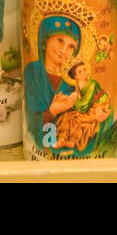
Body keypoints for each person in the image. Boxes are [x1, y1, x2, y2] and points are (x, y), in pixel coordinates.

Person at [23, 13, 82, 148]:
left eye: (71, 46)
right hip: (39, 156)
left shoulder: (73, 81)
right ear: (46, 39)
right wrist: (52, 111)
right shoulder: (32, 72)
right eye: (60, 40)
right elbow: (30, 120)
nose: (63, 50)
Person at [53, 60, 113, 155]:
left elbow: (83, 106)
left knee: (75, 117)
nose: (84, 72)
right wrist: (67, 100)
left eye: (84, 69)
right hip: (89, 108)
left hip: (98, 108)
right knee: (67, 115)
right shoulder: (78, 86)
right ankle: (63, 139)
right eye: (80, 71)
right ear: (75, 76)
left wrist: (70, 101)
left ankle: (72, 140)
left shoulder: (91, 84)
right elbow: (80, 103)